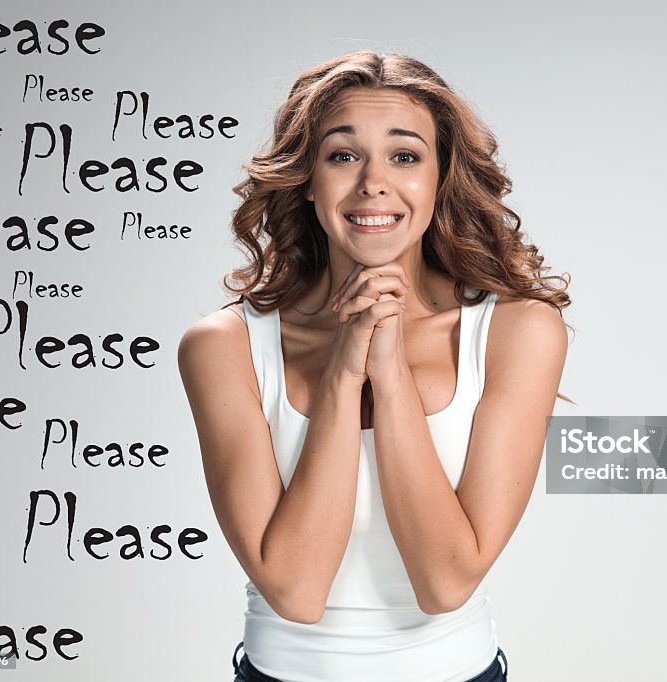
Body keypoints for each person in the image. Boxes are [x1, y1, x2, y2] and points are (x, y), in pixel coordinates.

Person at [177, 51, 570, 682]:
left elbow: (445, 582)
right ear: (307, 178)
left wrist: (389, 373)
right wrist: (341, 372)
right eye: (341, 155)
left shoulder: (517, 331)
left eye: (405, 156)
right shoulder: (223, 347)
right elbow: (297, 592)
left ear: (441, 177)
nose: (373, 183)